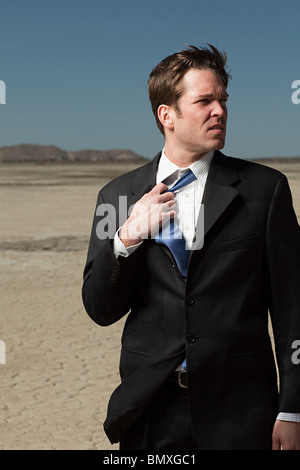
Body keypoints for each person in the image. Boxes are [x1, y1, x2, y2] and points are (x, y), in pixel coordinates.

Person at [82, 44, 300, 450]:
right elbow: (100, 309)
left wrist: (293, 409)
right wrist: (127, 237)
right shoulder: (118, 195)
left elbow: (293, 308)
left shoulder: (264, 190)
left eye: (223, 100)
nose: (219, 110)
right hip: (149, 413)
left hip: (240, 412)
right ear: (167, 115)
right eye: (204, 101)